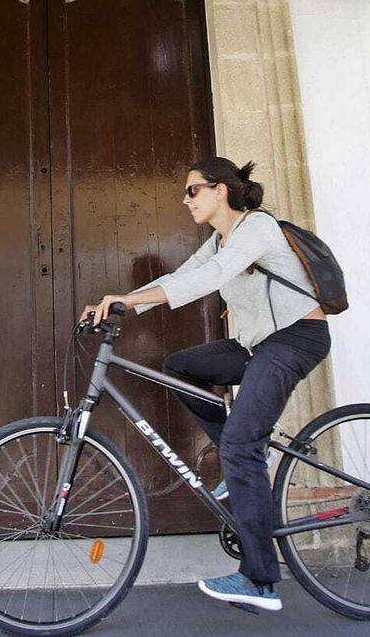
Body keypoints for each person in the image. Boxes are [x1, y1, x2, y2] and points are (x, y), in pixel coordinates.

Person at [80, 157, 329, 614]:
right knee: (179, 367)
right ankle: (245, 453)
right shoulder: (219, 239)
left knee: (239, 447)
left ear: (221, 190)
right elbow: (182, 277)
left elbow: (211, 278)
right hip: (257, 344)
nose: (185, 199)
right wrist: (120, 302)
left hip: (294, 339)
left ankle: (259, 580)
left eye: (192, 190)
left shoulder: (257, 227)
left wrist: (129, 302)